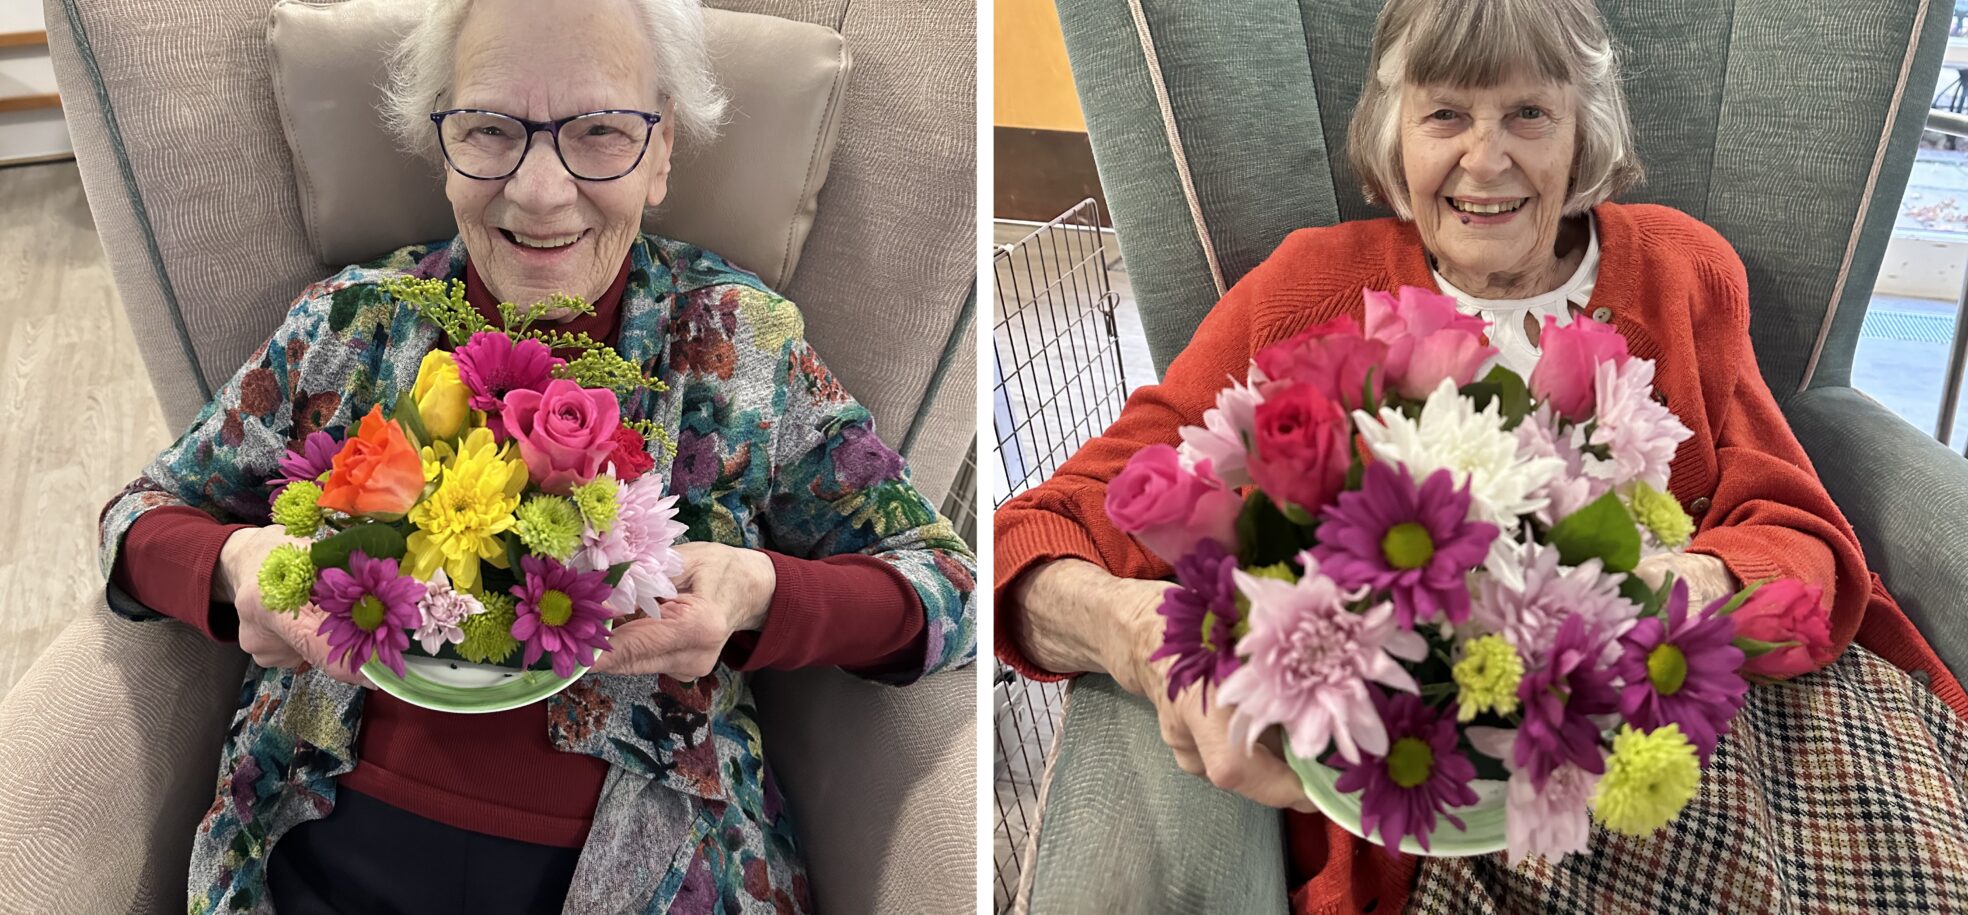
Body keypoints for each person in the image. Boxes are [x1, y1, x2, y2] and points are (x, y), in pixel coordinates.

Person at [994, 0, 1968, 911]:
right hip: (1450, 799)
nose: (1486, 160)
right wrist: (1138, 636)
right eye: (1446, 113)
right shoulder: (1306, 289)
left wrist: (1682, 585)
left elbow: (1799, 532)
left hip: (1693, 733)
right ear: (1393, 129)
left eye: (1530, 114)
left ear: (1584, 127)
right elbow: (1039, 530)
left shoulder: (1678, 271)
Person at [95, 0, 974, 911]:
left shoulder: (739, 347)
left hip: (655, 870)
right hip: (315, 851)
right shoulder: (350, 326)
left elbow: (944, 582)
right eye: (488, 129)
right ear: (443, 149)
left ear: (663, 149)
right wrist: (237, 564)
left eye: (599, 131)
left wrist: (759, 592)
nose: (541, 191)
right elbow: (135, 517)